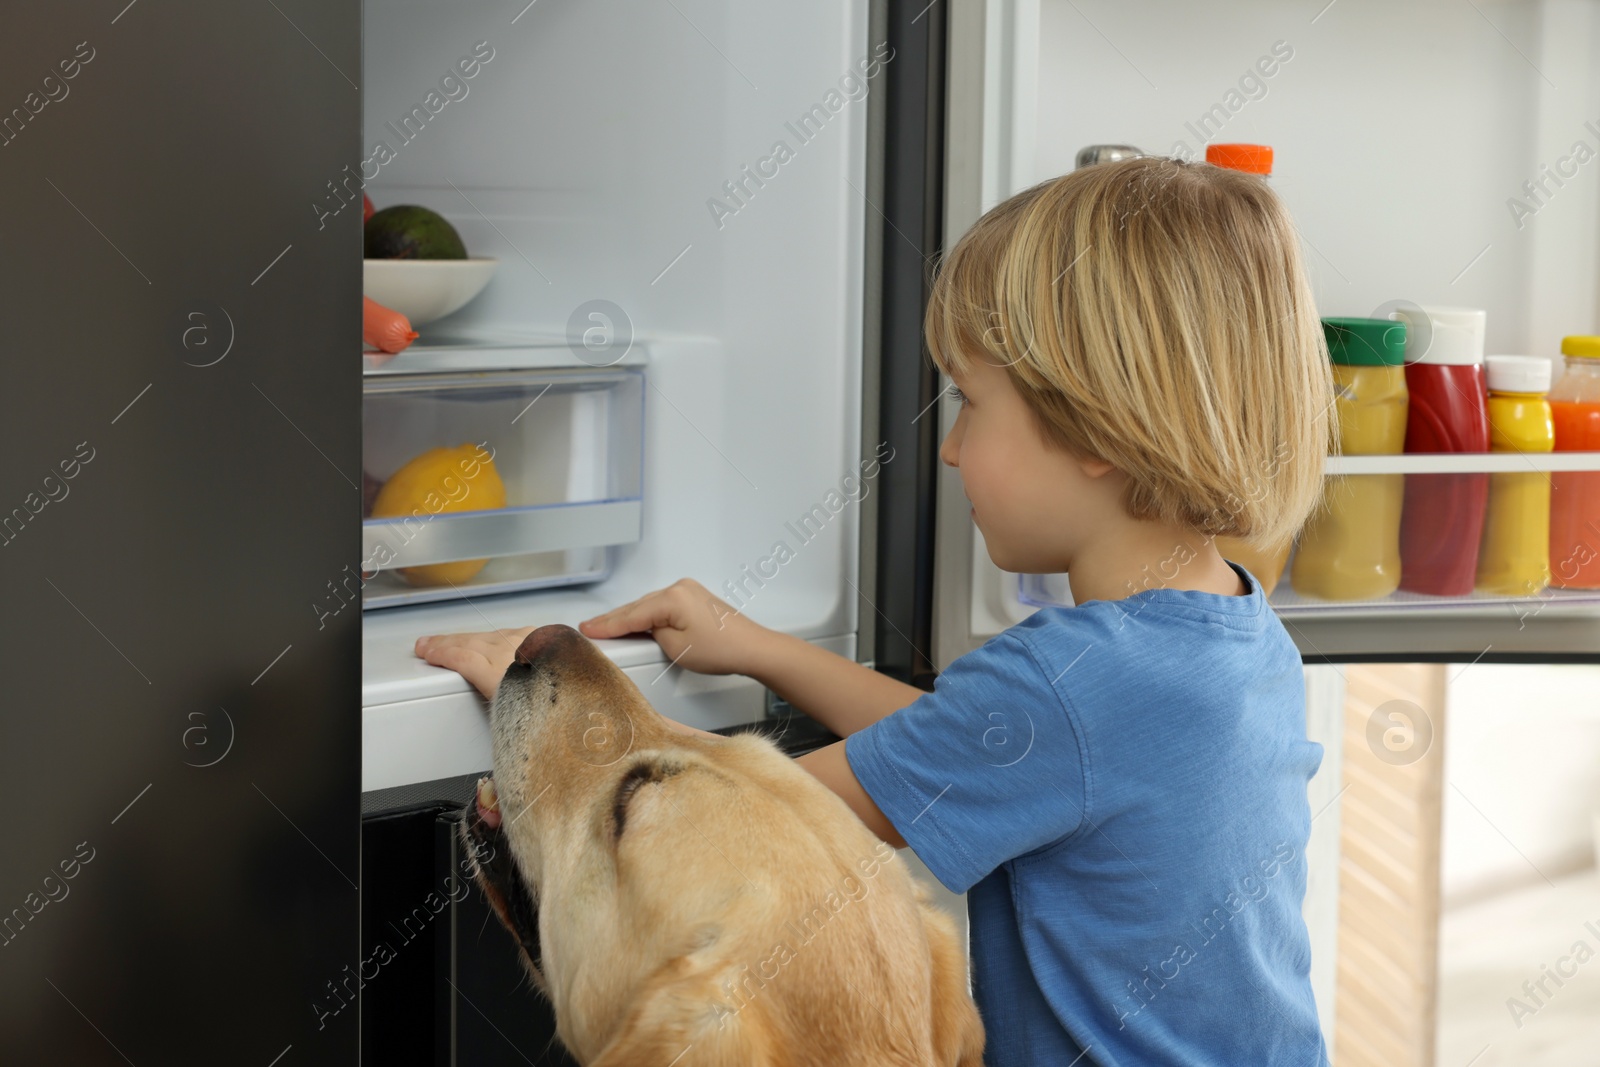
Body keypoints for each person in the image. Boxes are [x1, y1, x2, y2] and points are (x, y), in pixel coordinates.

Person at [416, 155, 1335, 1065]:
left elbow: (764, 834)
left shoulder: (1070, 681)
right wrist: (762, 649)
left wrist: (564, 723)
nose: (952, 449)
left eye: (972, 404)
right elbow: (968, 742)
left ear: (1096, 428)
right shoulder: (1239, 635)